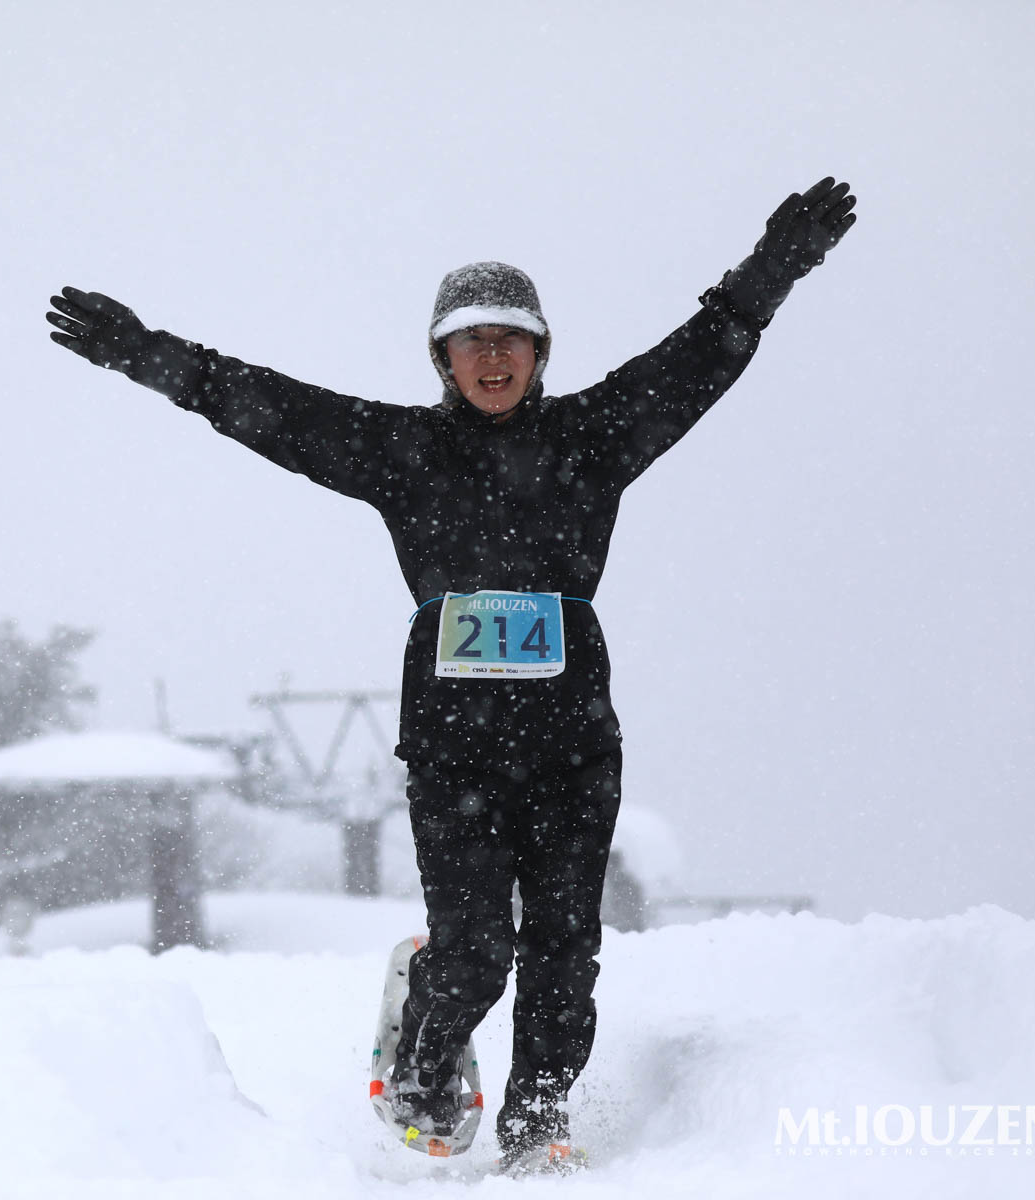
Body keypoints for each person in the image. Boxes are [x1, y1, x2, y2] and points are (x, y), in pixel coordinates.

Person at [45, 177, 857, 1171]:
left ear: (541, 353)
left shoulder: (593, 439)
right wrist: (145, 354)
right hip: (455, 745)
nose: (493, 356)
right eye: (472, 340)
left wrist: (773, 267)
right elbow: (269, 408)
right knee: (475, 952)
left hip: (571, 741)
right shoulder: (404, 452)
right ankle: (426, 1058)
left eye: (512, 338)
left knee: (564, 949)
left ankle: (537, 1123)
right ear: (442, 358)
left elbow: (698, 358)